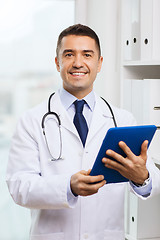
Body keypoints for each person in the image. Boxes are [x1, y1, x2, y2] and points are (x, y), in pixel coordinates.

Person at [6, 24, 160, 240]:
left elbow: (153, 180)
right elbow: (19, 186)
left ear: (99, 63)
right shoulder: (32, 120)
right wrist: (68, 186)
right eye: (69, 54)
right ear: (58, 62)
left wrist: (141, 177)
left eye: (87, 55)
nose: (78, 63)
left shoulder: (122, 120)